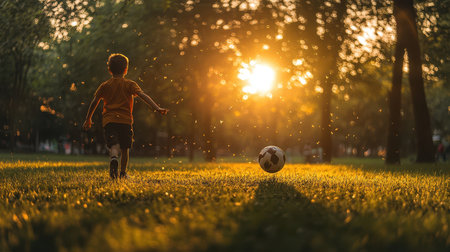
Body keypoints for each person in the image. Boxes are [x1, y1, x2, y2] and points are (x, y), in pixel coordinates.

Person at [83, 53, 168, 179]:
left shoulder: (105, 85)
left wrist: (88, 118)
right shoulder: (130, 84)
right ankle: (122, 173)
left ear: (109, 69)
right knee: (125, 148)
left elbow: (94, 101)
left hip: (109, 121)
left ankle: (113, 158)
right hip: (125, 121)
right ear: (126, 69)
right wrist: (157, 107)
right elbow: (143, 95)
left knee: (113, 145)